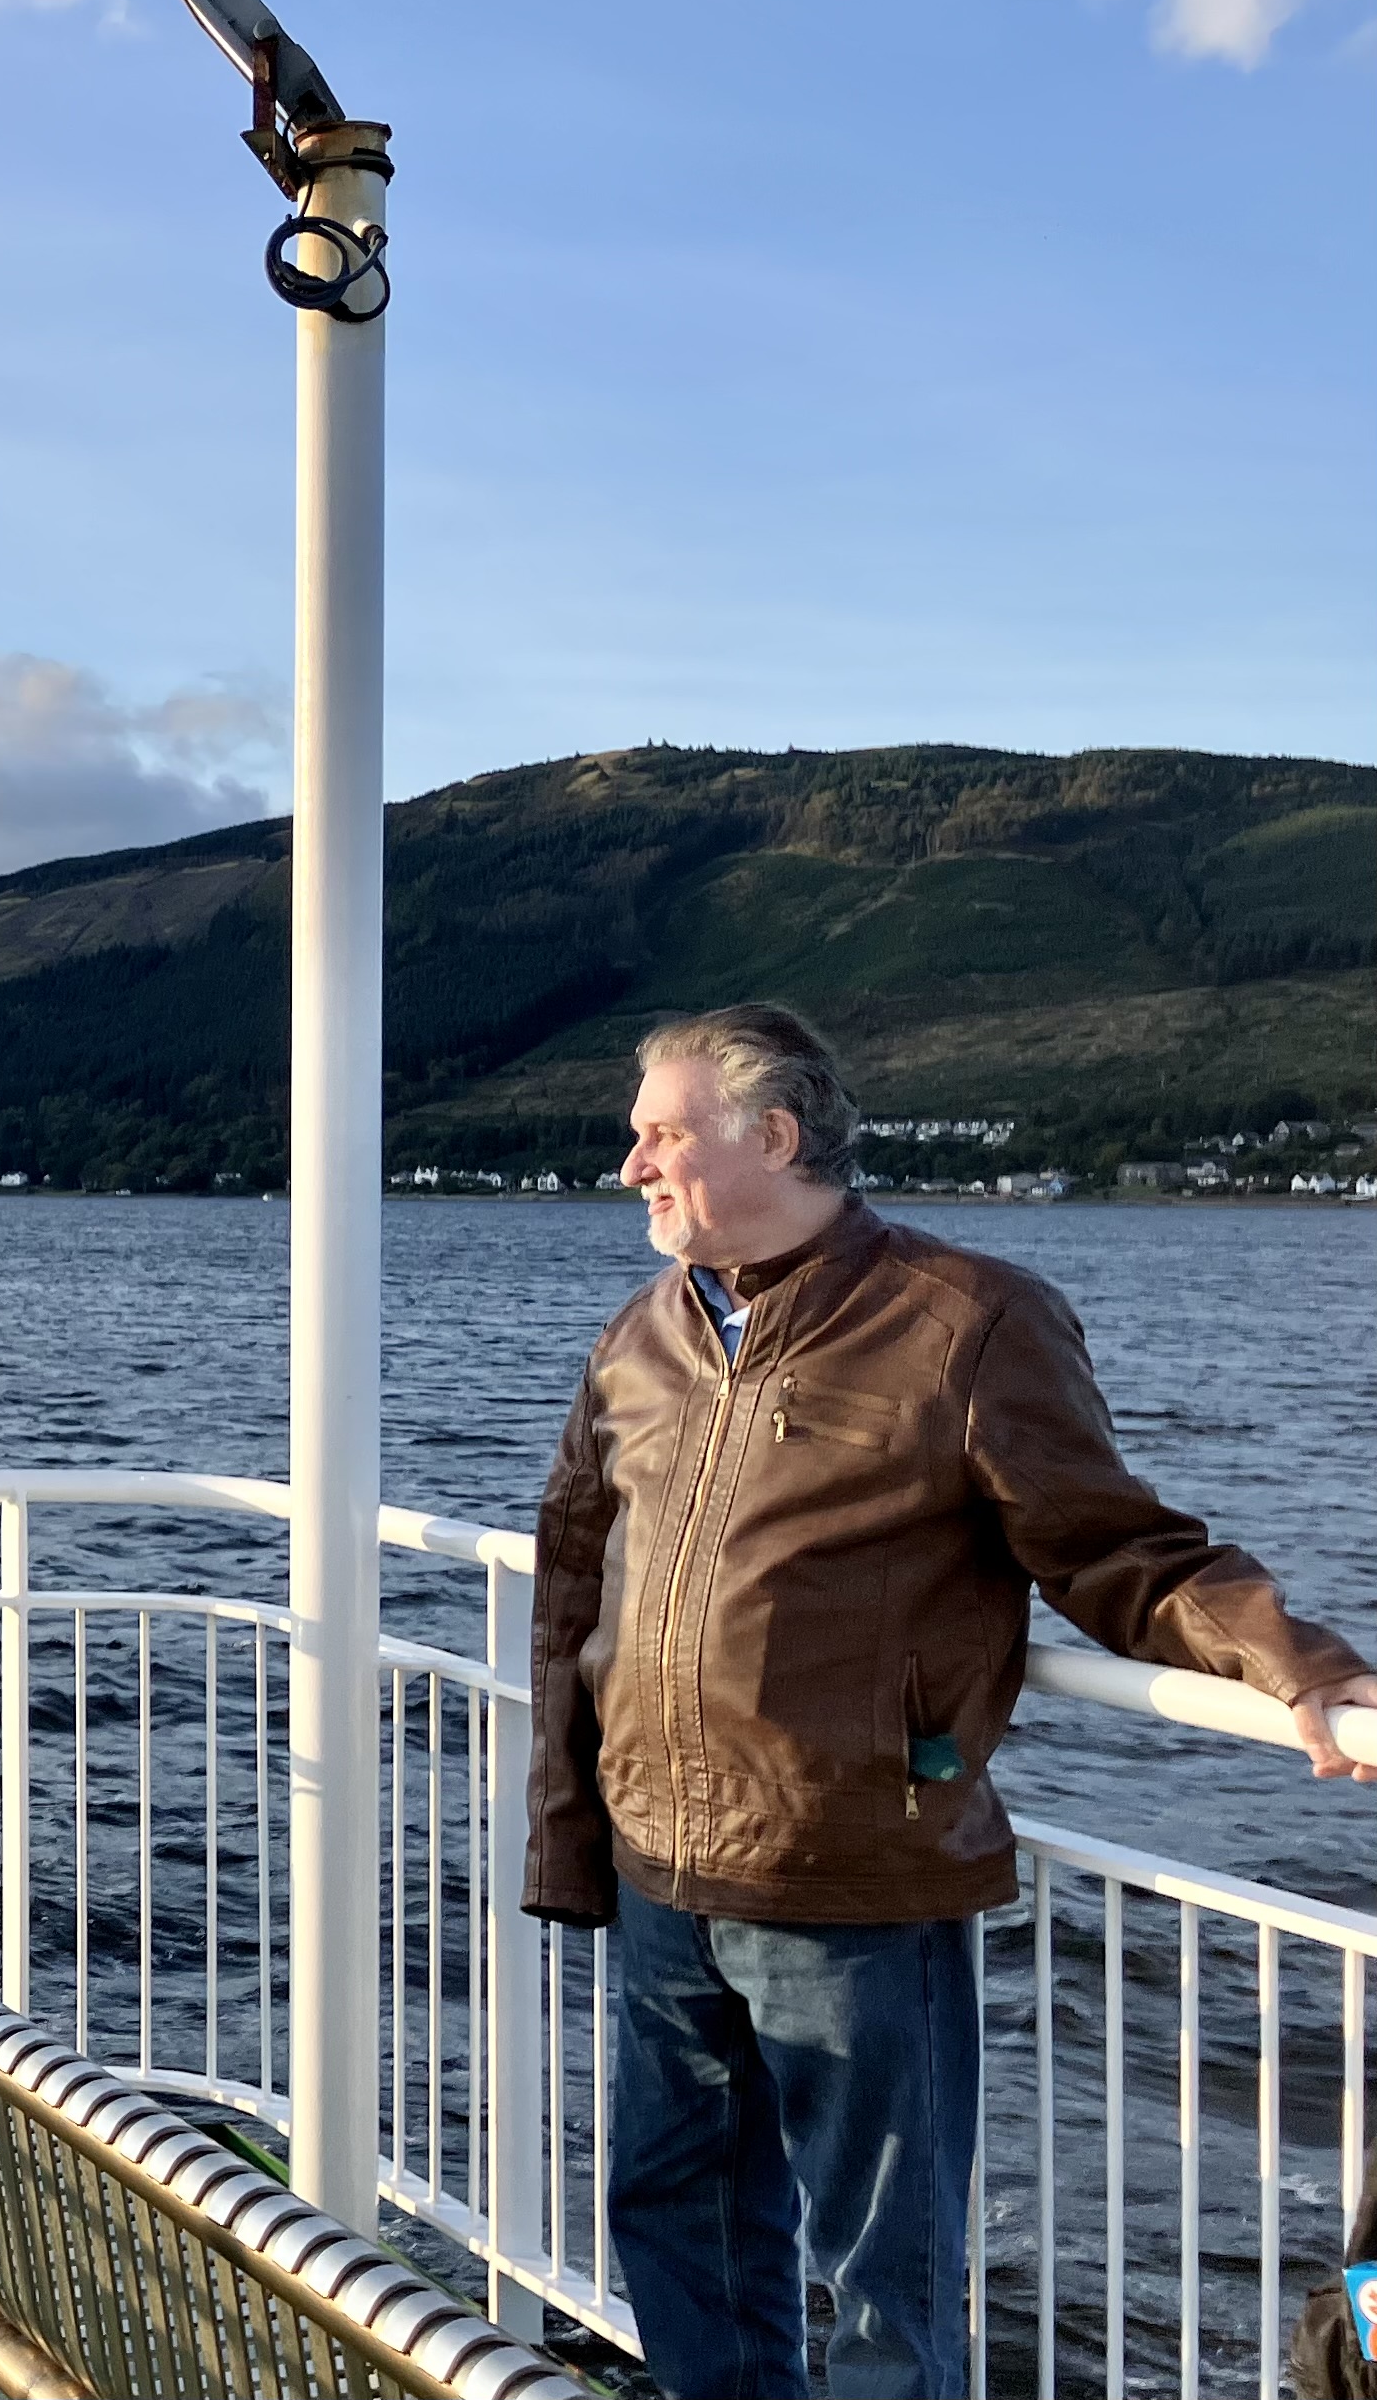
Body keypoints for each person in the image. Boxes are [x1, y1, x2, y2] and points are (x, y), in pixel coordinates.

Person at [524, 1004, 1377, 2400]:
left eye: (662, 1134)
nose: (632, 1167)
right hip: (657, 1869)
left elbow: (1115, 1549)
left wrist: (1299, 1663)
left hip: (849, 1868)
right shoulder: (642, 1336)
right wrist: (570, 1838)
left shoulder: (965, 1320)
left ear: (773, 1137)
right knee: (675, 2219)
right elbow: (574, 1583)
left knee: (883, 2274)